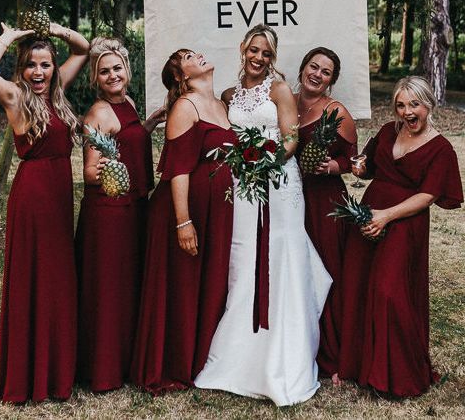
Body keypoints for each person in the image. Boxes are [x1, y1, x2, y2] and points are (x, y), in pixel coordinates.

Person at [194, 24, 332, 406]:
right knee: (245, 258)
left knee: (278, 256)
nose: (258, 58)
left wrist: (267, 164)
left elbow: (291, 137)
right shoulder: (228, 94)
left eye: (266, 54)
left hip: (278, 183)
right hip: (242, 186)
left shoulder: (280, 90)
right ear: (242, 48)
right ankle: (241, 351)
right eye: (253, 50)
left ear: (273, 58)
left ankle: (281, 355)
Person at [338, 76, 464, 397]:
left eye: (414, 104)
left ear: (428, 105)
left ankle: (393, 376)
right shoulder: (386, 132)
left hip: (405, 222)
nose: (407, 111)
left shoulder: (441, 149)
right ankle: (355, 367)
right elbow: (368, 168)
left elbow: (428, 196)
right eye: (401, 104)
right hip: (368, 216)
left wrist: (386, 216)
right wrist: (360, 168)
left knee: (389, 291)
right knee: (358, 285)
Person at [0, 22, 89, 402]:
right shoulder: (15, 96)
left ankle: (56, 366)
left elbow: (83, 49)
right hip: (33, 197)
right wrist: (10, 37)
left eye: (45, 65)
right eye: (31, 65)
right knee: (36, 276)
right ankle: (28, 368)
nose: (39, 72)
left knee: (58, 278)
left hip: (60, 195)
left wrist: (55, 29)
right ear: (21, 70)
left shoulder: (57, 93)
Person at [130, 48, 237, 394]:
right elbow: (177, 169)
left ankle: (200, 359)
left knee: (207, 281)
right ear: (181, 76)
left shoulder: (221, 105)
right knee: (182, 284)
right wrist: (183, 222)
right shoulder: (184, 107)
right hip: (183, 210)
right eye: (190, 56)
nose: (200, 56)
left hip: (215, 210)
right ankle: (173, 363)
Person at [75, 37, 165, 392]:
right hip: (110, 214)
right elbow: (88, 171)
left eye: (117, 68)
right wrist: (116, 173)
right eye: (104, 71)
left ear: (127, 70)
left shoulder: (127, 102)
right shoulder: (97, 112)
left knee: (129, 285)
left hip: (135, 207)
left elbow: (125, 140)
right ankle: (103, 370)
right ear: (95, 79)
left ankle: (127, 360)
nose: (113, 75)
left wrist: (147, 126)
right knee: (109, 289)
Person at [294, 47, 357, 383]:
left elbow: (356, 162)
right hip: (289, 200)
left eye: (326, 72)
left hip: (325, 203)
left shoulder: (337, 111)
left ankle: (334, 353)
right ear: (303, 68)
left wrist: (335, 165)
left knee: (328, 273)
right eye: (313, 67)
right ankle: (299, 347)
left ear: (332, 80)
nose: (317, 74)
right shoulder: (286, 102)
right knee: (296, 274)